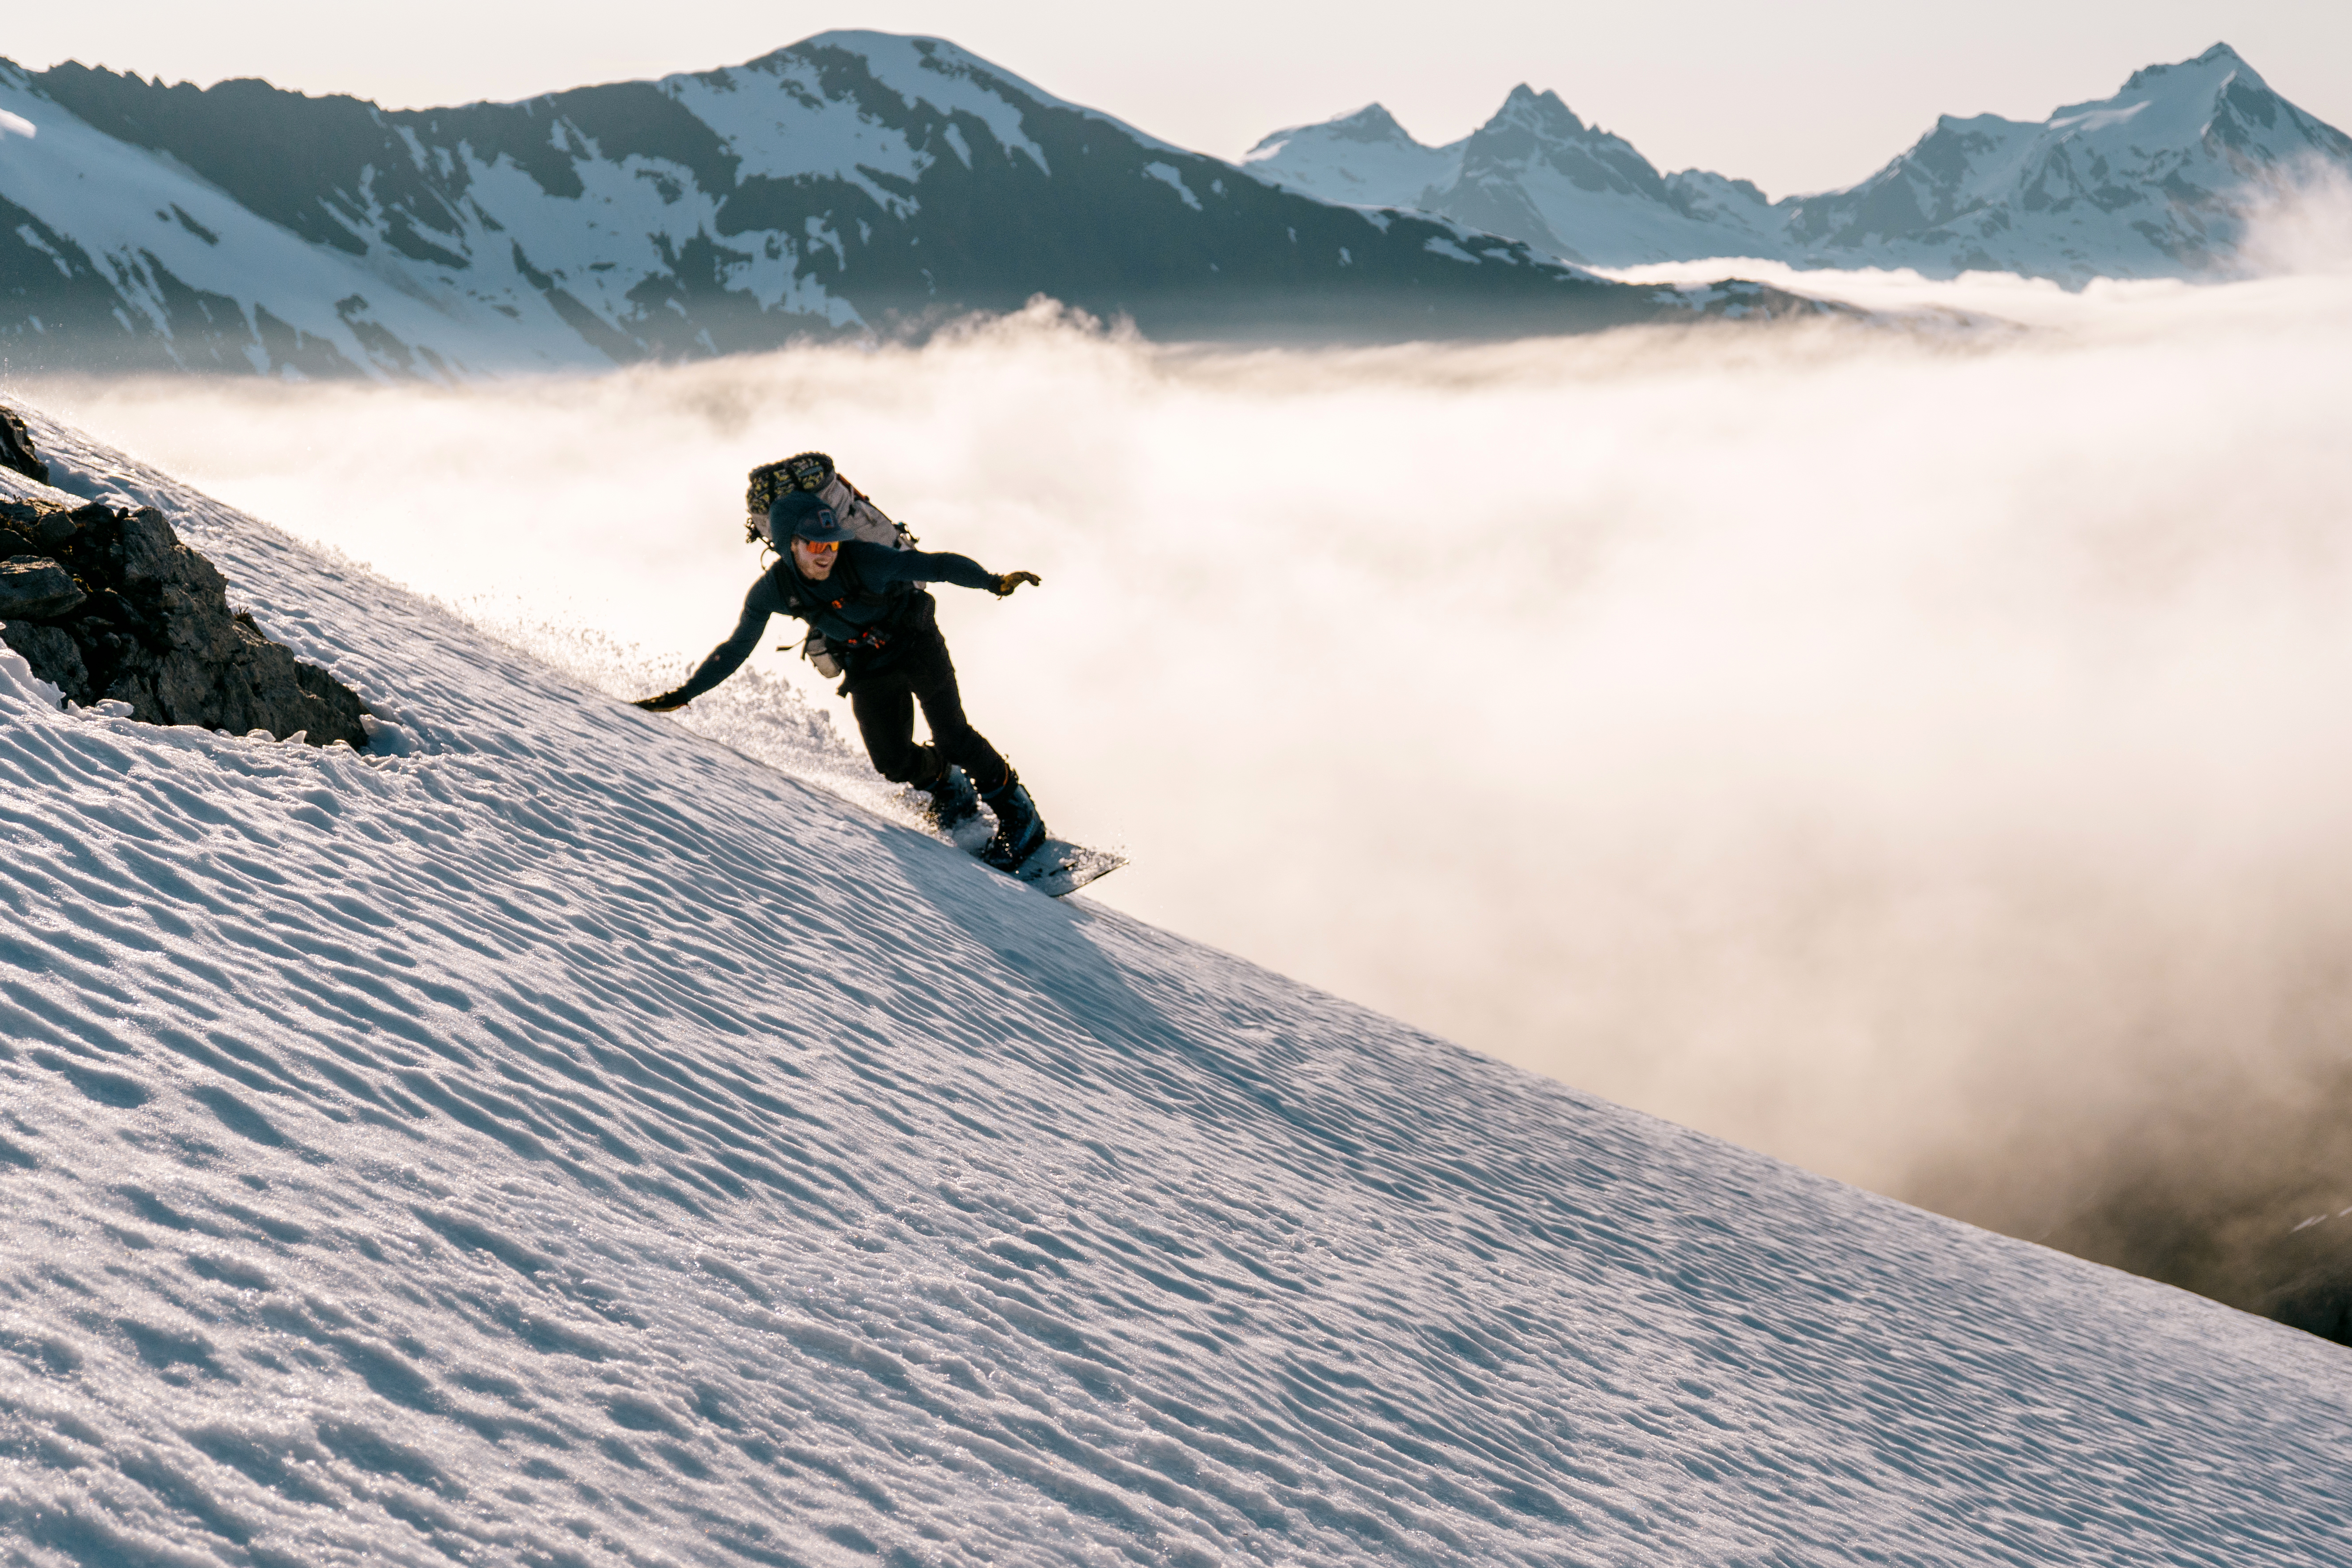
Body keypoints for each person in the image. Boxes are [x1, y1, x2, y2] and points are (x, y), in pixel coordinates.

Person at [636, 489, 1050, 870]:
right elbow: (738, 646)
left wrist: (992, 581)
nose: (826, 554)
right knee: (891, 762)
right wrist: (685, 694)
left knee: (953, 736)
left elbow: (933, 565)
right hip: (866, 661)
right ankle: (948, 786)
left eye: (831, 543)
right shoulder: (772, 591)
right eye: (815, 545)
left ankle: (1020, 816)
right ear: (789, 546)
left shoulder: (865, 559)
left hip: (916, 643)